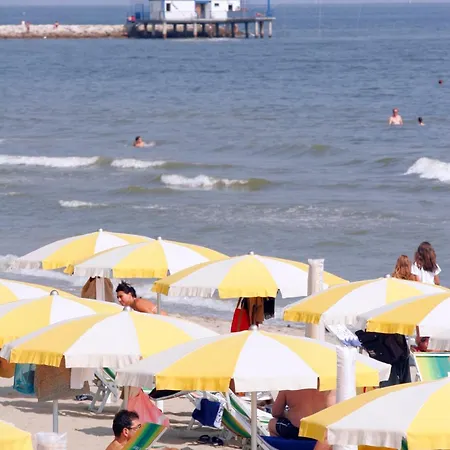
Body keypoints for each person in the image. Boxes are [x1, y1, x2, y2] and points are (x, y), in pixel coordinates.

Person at [268, 389, 336, 439]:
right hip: (321, 433)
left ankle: (281, 446)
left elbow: (276, 412)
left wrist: (288, 414)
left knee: (272, 423)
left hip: (297, 431)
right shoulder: (329, 385)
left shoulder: (289, 385)